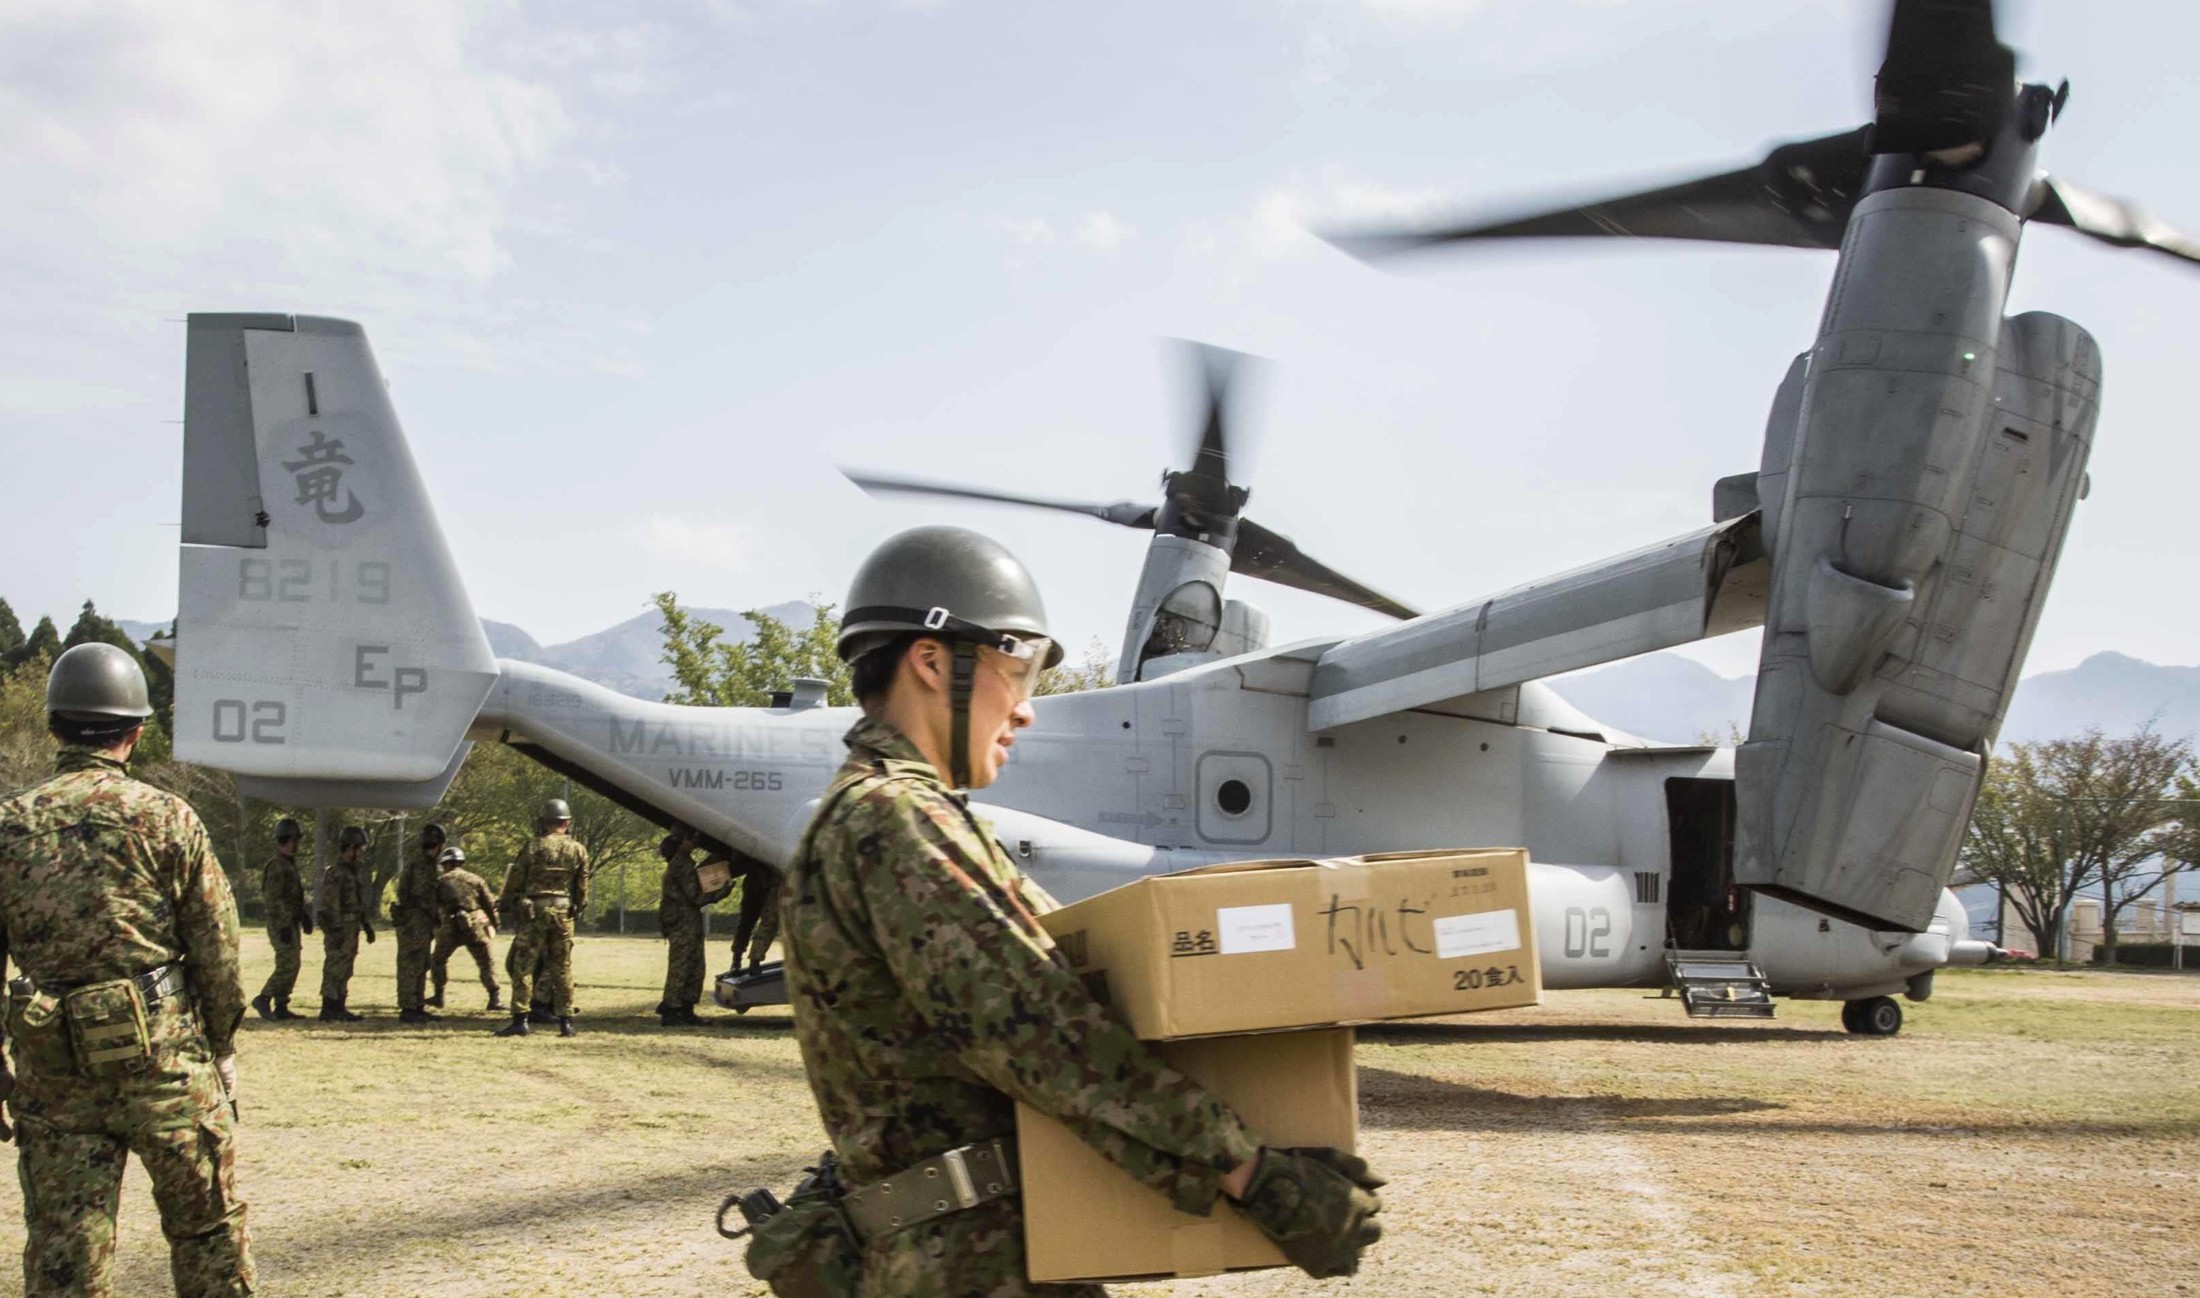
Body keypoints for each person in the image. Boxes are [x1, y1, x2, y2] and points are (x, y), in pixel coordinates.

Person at [777, 527, 1382, 1296]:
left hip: (974, 1252)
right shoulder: (898, 819)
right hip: (974, 1264)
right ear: (932, 662)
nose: (1027, 710)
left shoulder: (874, 814)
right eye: (1017, 669)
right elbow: (1043, 1040)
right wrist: (1255, 1174)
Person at [0, 642, 256, 1296]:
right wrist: (221, 1046)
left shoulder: (9, 826)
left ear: (55, 725)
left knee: (66, 1249)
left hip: (54, 1076)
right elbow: (218, 949)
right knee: (207, 1236)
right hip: (166, 1065)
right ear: (135, 732)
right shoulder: (167, 818)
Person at [494, 799, 589, 1039]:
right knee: (562, 967)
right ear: (566, 823)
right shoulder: (578, 849)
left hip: (534, 911)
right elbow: (582, 887)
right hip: (563, 913)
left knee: (524, 966)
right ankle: (566, 1023)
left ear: (544, 822)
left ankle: (520, 1020)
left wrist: (510, 904)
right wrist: (576, 909)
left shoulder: (532, 846)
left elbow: (515, 881)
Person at [656, 828, 734, 1027]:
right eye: (693, 839)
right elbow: (696, 896)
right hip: (683, 923)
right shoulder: (681, 865)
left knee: (694, 966)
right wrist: (723, 890)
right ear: (684, 842)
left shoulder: (683, 863)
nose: (696, 842)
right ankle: (672, 1009)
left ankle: (685, 1008)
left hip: (687, 922)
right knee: (681, 967)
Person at [250, 817, 312, 1021]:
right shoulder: (277, 866)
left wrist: (303, 916)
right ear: (289, 840)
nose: (298, 845)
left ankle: (281, 1004)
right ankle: (264, 997)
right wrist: (284, 924)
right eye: (296, 840)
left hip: (290, 921)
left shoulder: (288, 864)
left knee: (293, 962)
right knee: (288, 963)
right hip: (280, 923)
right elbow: (273, 899)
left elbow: (292, 896)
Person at [429, 846, 503, 1013]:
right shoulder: (475, 879)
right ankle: (494, 997)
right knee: (486, 962)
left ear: (445, 864)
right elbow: (489, 904)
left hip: (450, 925)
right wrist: (495, 923)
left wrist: (434, 927)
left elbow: (433, 906)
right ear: (461, 863)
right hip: (474, 925)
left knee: (438, 960)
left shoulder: (441, 881)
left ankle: (438, 995)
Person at [316, 826, 375, 1022]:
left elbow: (357, 901)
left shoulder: (354, 871)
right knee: (334, 966)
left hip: (351, 926)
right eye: (360, 848)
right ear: (350, 848)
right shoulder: (336, 872)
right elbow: (331, 902)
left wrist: (366, 925)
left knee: (345, 968)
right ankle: (328, 1007)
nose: (362, 852)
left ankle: (339, 1006)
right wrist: (336, 929)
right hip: (339, 927)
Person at [393, 823, 446, 1023]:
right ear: (439, 845)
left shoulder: (428, 864)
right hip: (414, 921)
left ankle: (417, 1005)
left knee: (421, 963)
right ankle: (409, 1007)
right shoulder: (421, 865)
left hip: (422, 922)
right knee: (411, 963)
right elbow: (417, 895)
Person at [728, 859, 780, 978]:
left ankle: (742, 960)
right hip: (765, 883)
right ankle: (749, 961)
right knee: (764, 923)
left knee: (749, 923)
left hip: (759, 881)